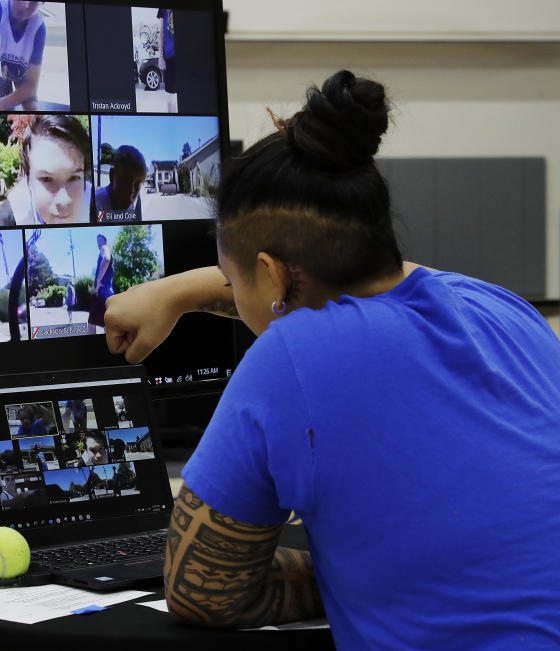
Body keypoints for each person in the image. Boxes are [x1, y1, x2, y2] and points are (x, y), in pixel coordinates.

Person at [103, 70, 560, 646]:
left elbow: (203, 594)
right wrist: (178, 292)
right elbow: (369, 285)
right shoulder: (504, 309)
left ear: (271, 275)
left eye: (230, 277)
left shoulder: (288, 355)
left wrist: (358, 569)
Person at [0, 115, 91, 226]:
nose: (64, 201)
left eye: (74, 178)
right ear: (29, 180)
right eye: (47, 179)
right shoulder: (12, 216)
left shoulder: (95, 203)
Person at [94, 145, 147, 218]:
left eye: (137, 185)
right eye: (125, 182)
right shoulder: (97, 204)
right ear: (112, 176)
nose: (131, 192)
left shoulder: (135, 203)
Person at [86, 233, 112, 334]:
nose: (98, 243)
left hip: (102, 293)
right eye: (97, 241)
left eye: (99, 241)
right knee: (105, 324)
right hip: (106, 293)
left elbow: (106, 259)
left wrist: (98, 281)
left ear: (104, 241)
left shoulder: (104, 248)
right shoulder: (104, 249)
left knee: (91, 323)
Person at [156, 8, 176, 113]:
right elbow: (161, 31)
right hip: (170, 56)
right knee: (170, 99)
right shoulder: (163, 7)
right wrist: (161, 56)